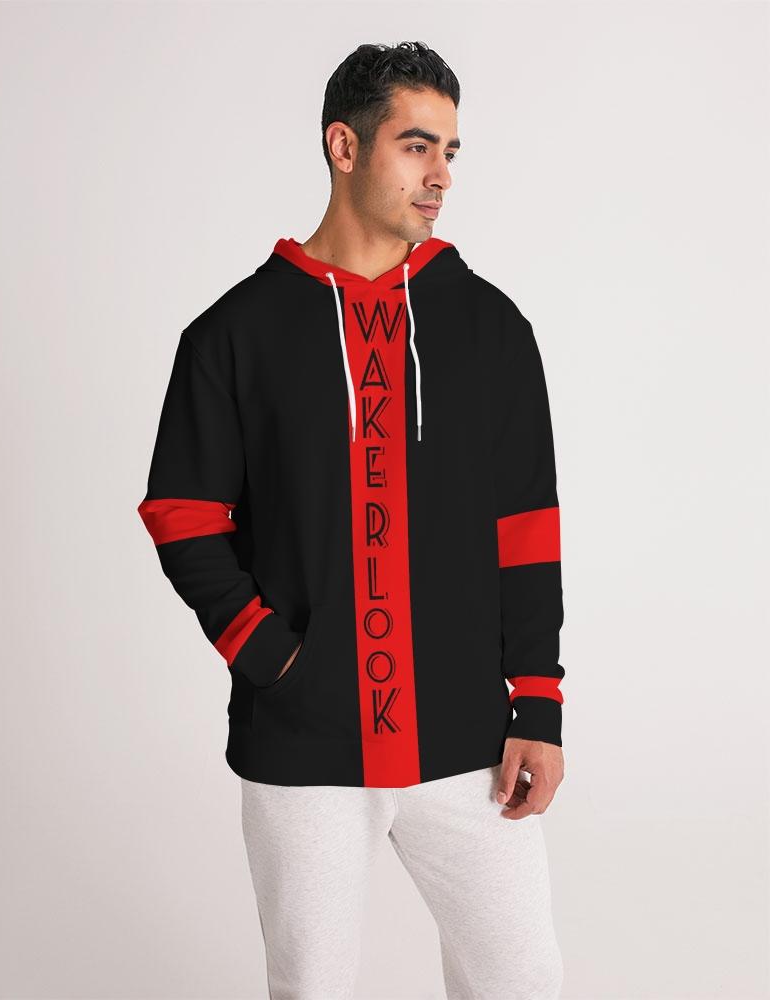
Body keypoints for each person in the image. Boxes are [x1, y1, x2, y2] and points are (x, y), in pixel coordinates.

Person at [138, 39, 565, 1000]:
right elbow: (181, 513)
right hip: (303, 745)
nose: (440, 175)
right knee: (313, 988)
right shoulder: (233, 334)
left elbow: (527, 526)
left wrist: (537, 702)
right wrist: (272, 656)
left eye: (450, 151)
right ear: (344, 145)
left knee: (523, 979)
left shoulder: (492, 329)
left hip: (469, 741)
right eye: (417, 146)